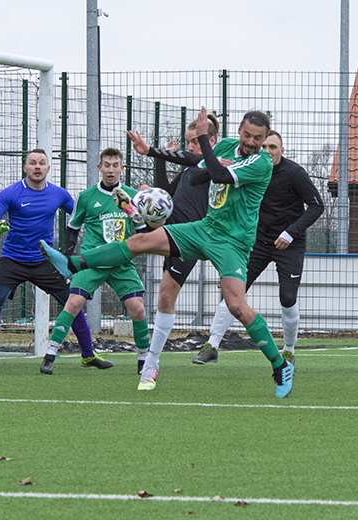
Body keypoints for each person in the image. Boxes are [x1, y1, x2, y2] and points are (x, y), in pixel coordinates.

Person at [41, 108, 295, 397]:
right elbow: (200, 175)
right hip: (204, 227)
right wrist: (182, 160)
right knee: (141, 242)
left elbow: (220, 176)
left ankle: (279, 365)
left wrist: (210, 161)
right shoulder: (224, 146)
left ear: (264, 139)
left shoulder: (261, 163)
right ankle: (74, 264)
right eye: (247, 135)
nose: (251, 142)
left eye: (258, 138)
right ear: (239, 130)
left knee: (236, 305)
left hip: (232, 242)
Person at [0, 149, 111, 373]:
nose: (37, 167)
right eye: (33, 163)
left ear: (48, 168)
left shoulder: (59, 194)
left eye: (42, 163)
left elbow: (82, 214)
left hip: (44, 260)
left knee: (74, 304)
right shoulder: (11, 193)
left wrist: (106, 217)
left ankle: (88, 355)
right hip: (12, 260)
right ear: (25, 168)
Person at [194, 130, 324, 366]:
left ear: (282, 151)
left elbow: (317, 206)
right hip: (257, 242)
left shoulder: (295, 173)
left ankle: (289, 350)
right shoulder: (249, 169)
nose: (267, 151)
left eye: (273, 147)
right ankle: (211, 345)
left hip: (289, 244)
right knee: (233, 292)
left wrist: (291, 233)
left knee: (287, 297)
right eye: (263, 147)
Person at [40, 148, 151, 375]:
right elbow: (72, 229)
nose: (111, 170)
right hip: (91, 261)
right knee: (73, 303)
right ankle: (49, 355)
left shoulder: (131, 195)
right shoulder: (87, 197)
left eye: (115, 165)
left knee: (138, 309)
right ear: (99, 168)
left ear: (122, 168)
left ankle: (143, 361)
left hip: (121, 263)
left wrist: (132, 211)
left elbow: (143, 232)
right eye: (107, 165)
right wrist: (69, 258)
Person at [126, 114, 218, 327]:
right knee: (164, 299)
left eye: (195, 141)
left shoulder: (213, 167)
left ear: (210, 141)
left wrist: (154, 151)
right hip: (171, 227)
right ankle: (152, 359)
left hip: (189, 238)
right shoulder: (189, 169)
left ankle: (142, 224)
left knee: (167, 298)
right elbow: (166, 191)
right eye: (188, 142)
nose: (190, 146)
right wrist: (161, 158)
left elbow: (198, 160)